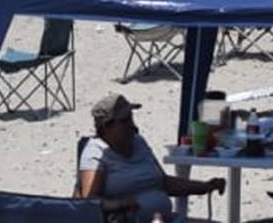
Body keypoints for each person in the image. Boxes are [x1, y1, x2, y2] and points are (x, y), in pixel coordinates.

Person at [78, 93, 222, 222]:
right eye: (125, 121)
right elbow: (88, 203)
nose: (132, 125)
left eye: (131, 118)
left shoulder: (138, 142)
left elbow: (163, 182)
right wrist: (120, 204)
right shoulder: (95, 151)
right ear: (106, 127)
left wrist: (205, 186)